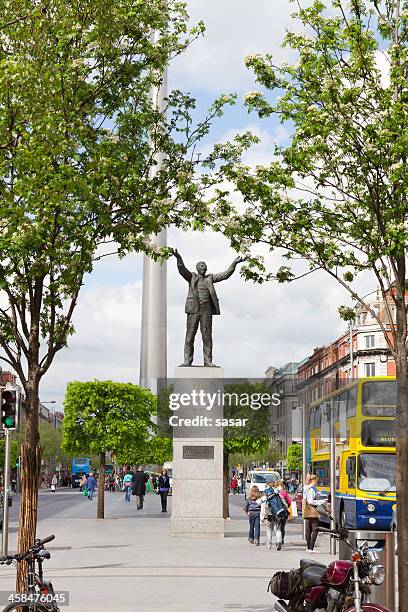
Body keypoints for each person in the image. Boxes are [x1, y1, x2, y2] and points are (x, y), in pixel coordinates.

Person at [172, 249, 245, 366]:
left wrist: (234, 263)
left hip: (206, 310)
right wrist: (178, 258)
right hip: (193, 310)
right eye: (202, 265)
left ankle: (208, 361)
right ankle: (187, 360)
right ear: (197, 268)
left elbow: (225, 275)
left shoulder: (209, 278)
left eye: (205, 265)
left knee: (207, 336)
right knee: (190, 336)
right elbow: (182, 270)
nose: (204, 267)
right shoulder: (191, 277)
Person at [302, 474, 321, 553]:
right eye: (316, 481)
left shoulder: (306, 488)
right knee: (315, 529)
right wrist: (321, 501)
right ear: (313, 481)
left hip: (307, 511)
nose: (317, 483)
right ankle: (311, 548)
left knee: (308, 529)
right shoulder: (311, 489)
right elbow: (310, 501)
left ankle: (308, 547)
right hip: (312, 511)